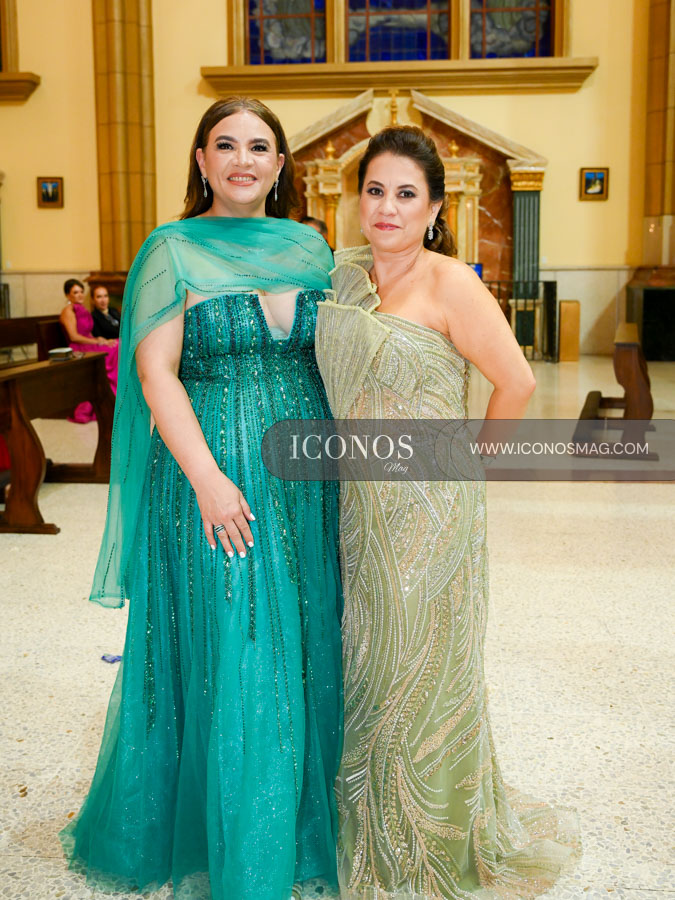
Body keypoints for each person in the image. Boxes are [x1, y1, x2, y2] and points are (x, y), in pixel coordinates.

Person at [60, 98, 343, 900]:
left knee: (301, 642)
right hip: (212, 475)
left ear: (280, 164)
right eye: (226, 144)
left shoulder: (309, 248)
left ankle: (295, 831)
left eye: (259, 146)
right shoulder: (172, 249)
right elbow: (155, 374)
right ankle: (245, 853)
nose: (242, 159)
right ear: (201, 160)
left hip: (306, 481)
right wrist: (210, 479)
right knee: (242, 642)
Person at [315, 126, 580, 898]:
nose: (387, 207)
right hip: (357, 506)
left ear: (434, 209)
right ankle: (369, 823)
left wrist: (470, 475)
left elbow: (516, 382)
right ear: (356, 199)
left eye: (406, 194)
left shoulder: (450, 282)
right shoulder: (343, 279)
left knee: (419, 670)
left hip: (428, 511)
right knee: (368, 662)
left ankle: (429, 835)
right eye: (375, 190)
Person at [59, 278, 119, 422]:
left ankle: (117, 396)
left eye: (81, 292)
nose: (80, 295)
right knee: (115, 349)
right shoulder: (68, 311)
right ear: (67, 295)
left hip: (87, 343)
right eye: (75, 292)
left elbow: (88, 333)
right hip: (78, 348)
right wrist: (96, 341)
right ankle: (111, 397)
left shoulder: (83, 309)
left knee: (117, 344)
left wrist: (101, 339)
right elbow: (74, 336)